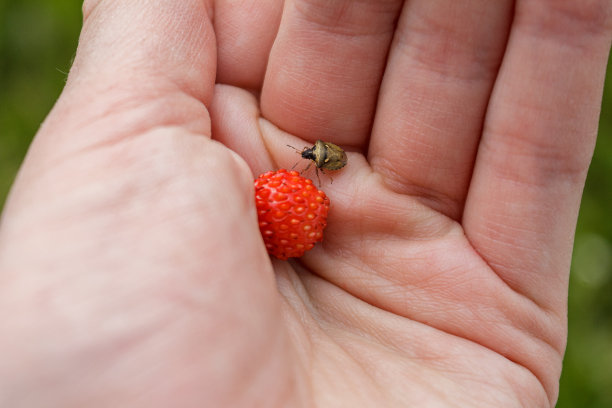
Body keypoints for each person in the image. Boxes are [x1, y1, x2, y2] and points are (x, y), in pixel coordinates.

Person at [0, 1, 610, 406]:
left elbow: (321, 166)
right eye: (312, 162)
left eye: (312, 162)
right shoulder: (312, 168)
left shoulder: (319, 167)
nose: (310, 165)